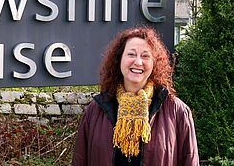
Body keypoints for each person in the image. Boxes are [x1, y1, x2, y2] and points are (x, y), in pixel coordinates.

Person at [72, 27, 199, 166]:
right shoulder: (95, 110)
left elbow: (190, 160)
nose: (138, 62)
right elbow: (80, 160)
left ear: (154, 63)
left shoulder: (177, 112)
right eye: (131, 54)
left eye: (145, 56)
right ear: (119, 59)